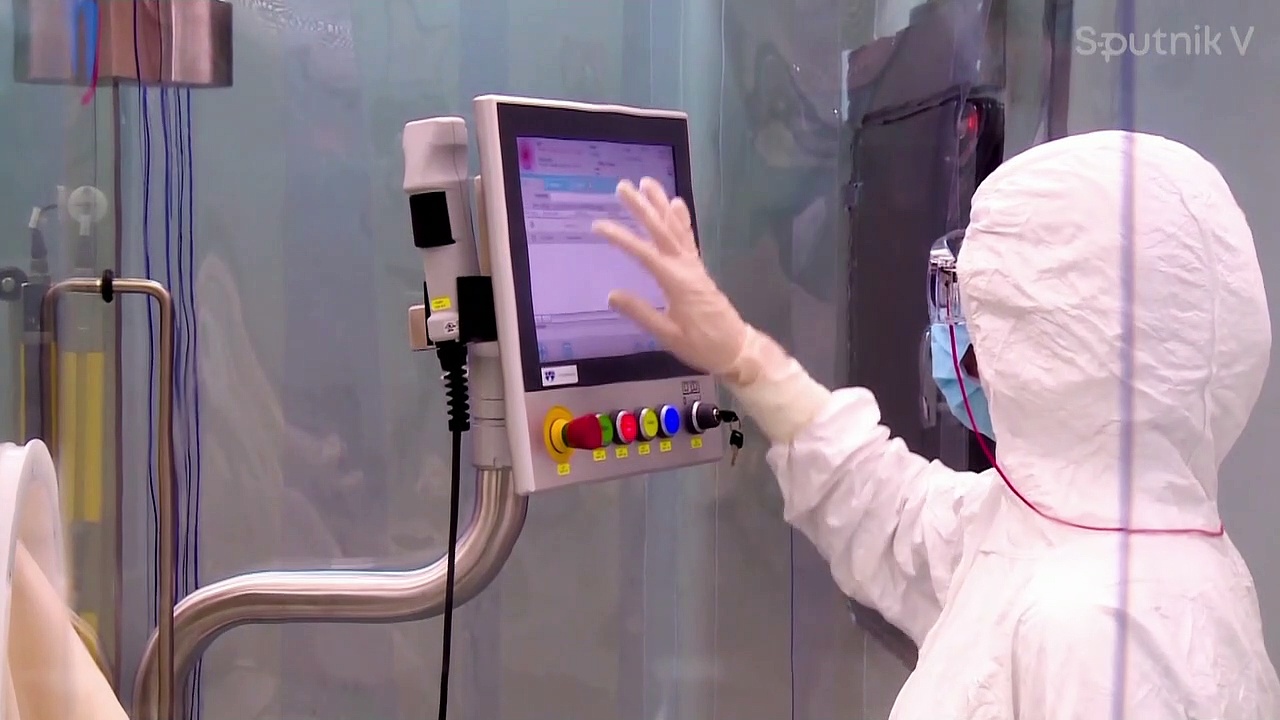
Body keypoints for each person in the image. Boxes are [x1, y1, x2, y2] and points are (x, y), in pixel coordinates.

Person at [593, 130, 1280, 717]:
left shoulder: (1096, 630)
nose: (963, 339)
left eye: (988, 312)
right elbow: (894, 516)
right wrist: (747, 358)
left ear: (1071, 346)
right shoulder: (1072, 534)